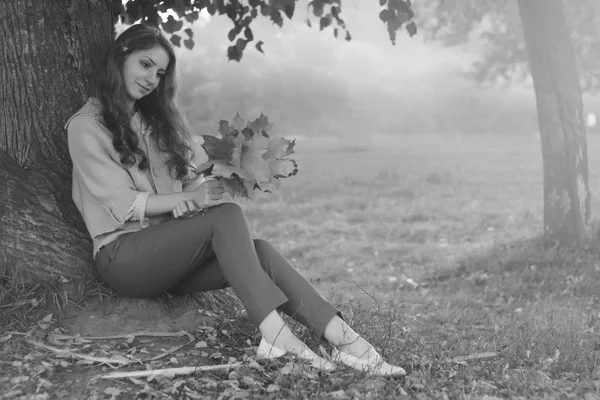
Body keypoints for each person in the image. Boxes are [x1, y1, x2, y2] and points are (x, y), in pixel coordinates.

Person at [65, 23, 404, 376]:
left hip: (169, 257)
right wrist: (185, 197)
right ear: (121, 58)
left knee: (260, 252)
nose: (152, 78)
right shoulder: (86, 126)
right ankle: (275, 336)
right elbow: (122, 203)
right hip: (124, 258)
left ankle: (350, 343)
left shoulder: (159, 122)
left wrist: (231, 170)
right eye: (145, 64)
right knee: (226, 216)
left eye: (160, 72)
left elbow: (198, 171)